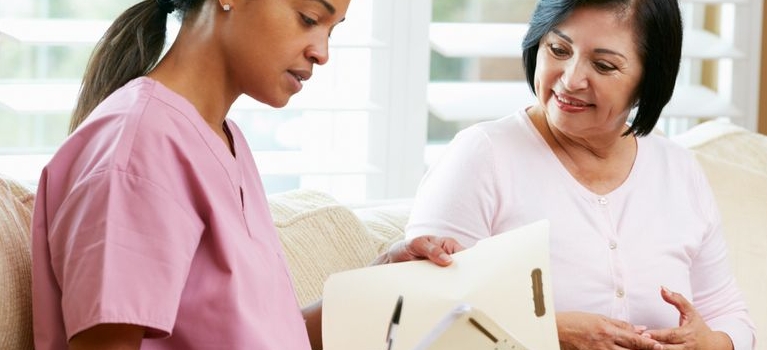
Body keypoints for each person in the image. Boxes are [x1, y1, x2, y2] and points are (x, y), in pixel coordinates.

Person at [30, 0, 452, 349]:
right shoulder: (139, 147)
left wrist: (377, 284)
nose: (322, 52)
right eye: (309, 19)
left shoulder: (225, 140)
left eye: (333, 29)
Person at [384, 0, 757, 349]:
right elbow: (419, 322)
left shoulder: (679, 170)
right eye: (558, 50)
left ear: (649, 78)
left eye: (604, 65)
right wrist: (551, 331)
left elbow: (731, 315)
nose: (571, 79)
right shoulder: (482, 156)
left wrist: (707, 342)